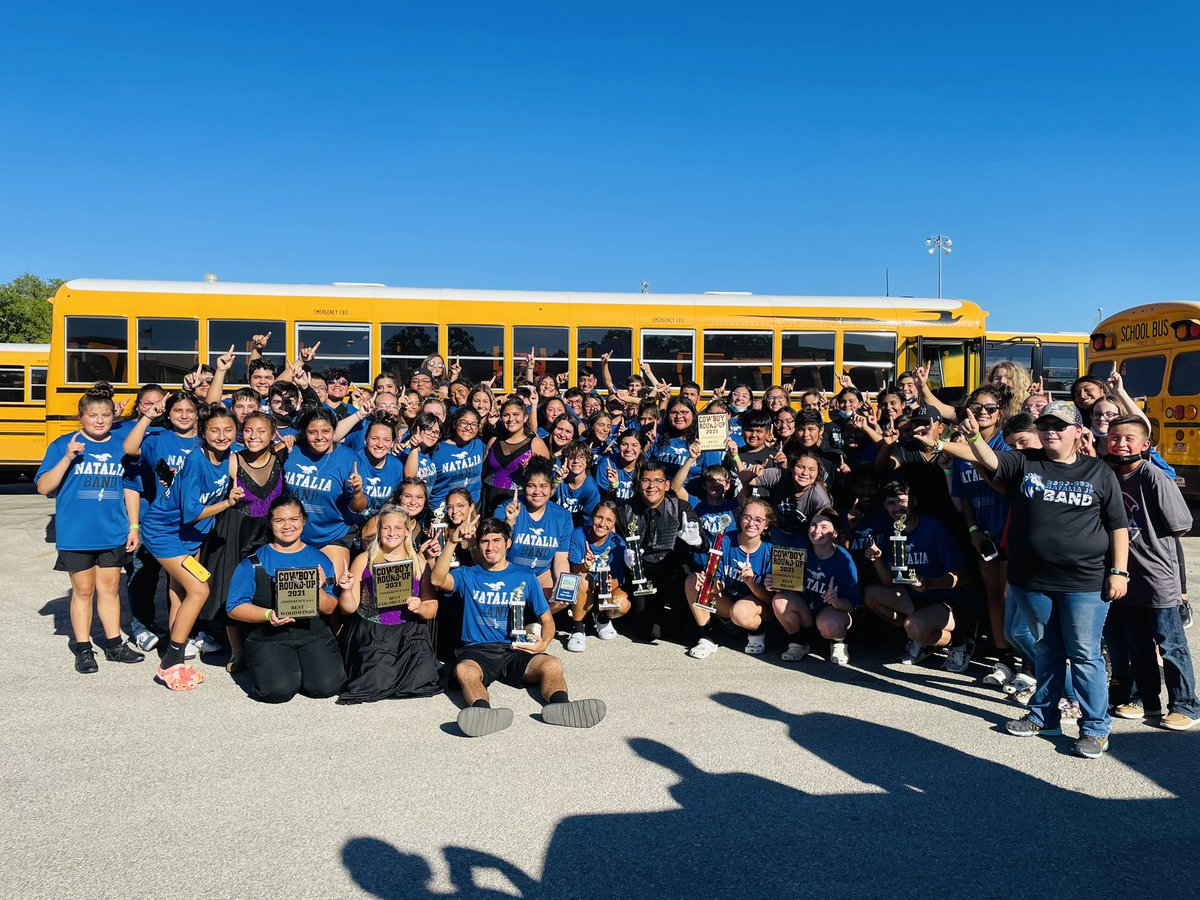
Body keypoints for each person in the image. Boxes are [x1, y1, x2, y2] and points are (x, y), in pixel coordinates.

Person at [959, 400, 1128, 759]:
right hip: (1031, 581)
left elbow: (1118, 526)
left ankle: (1096, 728)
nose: (1051, 431)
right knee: (1046, 649)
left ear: (1078, 432)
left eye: (1060, 426)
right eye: (1046, 425)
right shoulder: (1025, 462)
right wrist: (974, 437)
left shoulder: (1099, 472)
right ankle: (1044, 715)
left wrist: (1119, 570)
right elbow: (991, 462)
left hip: (1084, 582)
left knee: (1084, 654)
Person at [428, 517, 606, 737]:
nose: (490, 547)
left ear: (508, 543)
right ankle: (482, 713)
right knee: (464, 670)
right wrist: (452, 541)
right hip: (478, 650)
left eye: (496, 540)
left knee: (552, 664)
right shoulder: (468, 574)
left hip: (515, 648)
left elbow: (547, 620)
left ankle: (561, 706)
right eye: (484, 541)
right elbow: (437, 580)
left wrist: (543, 643)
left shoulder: (525, 576)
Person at [36, 384, 144, 674]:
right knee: (82, 590)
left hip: (113, 531)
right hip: (77, 534)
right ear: (81, 416)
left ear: (113, 416)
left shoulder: (122, 445)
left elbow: (131, 489)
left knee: (109, 589)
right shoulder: (62, 444)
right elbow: (44, 486)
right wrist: (68, 458)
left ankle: (113, 644)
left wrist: (133, 526)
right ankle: (83, 649)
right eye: (92, 415)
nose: (99, 420)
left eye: (105, 415)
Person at [1103, 416, 1198, 731]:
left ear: (1145, 445)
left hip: (1157, 575)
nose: (1121, 444)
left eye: (1129, 438)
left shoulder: (1153, 476)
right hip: (1125, 576)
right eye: (1115, 437)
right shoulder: (1110, 476)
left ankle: (1185, 704)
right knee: (1137, 642)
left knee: (1170, 642)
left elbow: (1182, 523)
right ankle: (1145, 700)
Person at [139, 405, 243, 691]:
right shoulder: (197, 460)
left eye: (228, 430)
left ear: (236, 432)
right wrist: (227, 503)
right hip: (165, 532)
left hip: (191, 535)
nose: (221, 436)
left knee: (180, 593)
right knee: (200, 589)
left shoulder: (229, 456)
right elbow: (191, 512)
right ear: (203, 432)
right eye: (214, 431)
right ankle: (170, 662)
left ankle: (177, 652)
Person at [225, 496, 346, 702]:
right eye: (279, 520)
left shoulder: (319, 559)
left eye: (293, 519)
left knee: (327, 686)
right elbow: (234, 607)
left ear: (303, 521)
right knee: (277, 691)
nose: (287, 526)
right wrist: (268, 614)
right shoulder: (253, 562)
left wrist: (318, 591)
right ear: (270, 524)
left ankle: (301, 666)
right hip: (268, 636)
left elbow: (330, 607)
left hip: (312, 633)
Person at [200, 410, 287, 673]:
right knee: (231, 587)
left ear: (273, 435)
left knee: (269, 586)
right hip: (235, 530)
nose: (254, 436)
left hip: (269, 532)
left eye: (261, 431)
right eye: (248, 430)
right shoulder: (232, 460)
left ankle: (267, 642)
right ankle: (237, 651)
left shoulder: (282, 457)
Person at [862, 479, 974, 672]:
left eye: (901, 501)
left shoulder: (934, 529)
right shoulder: (892, 531)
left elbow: (964, 576)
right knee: (871, 594)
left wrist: (930, 584)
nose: (897, 508)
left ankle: (960, 642)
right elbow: (889, 581)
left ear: (913, 501)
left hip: (946, 600)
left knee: (914, 626)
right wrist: (876, 559)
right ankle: (920, 639)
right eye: (891, 503)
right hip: (915, 596)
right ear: (885, 506)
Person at [336, 504, 441, 703]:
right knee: (374, 682)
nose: (392, 533)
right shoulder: (363, 560)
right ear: (379, 530)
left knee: (420, 679)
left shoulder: (419, 563)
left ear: (407, 531)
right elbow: (348, 608)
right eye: (386, 528)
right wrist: (347, 589)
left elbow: (432, 609)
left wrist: (419, 606)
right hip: (373, 631)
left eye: (397, 528)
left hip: (409, 632)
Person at [121, 389, 200, 651]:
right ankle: (151, 629)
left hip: (195, 524)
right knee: (150, 577)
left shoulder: (206, 440)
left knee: (183, 582)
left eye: (190, 410)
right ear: (169, 413)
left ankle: (183, 634)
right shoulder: (158, 438)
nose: (184, 415)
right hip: (161, 524)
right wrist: (147, 417)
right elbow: (130, 448)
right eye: (178, 410)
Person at [618, 460, 707, 643]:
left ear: (667, 485)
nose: (652, 486)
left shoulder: (681, 507)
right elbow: (614, 541)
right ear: (638, 483)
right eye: (646, 481)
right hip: (643, 574)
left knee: (680, 632)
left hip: (673, 574)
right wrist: (624, 555)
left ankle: (683, 619)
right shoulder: (626, 509)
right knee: (648, 632)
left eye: (658, 481)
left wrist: (696, 540)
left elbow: (704, 543)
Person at [683, 498, 777, 658]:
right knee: (693, 581)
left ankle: (757, 631)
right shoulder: (724, 540)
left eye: (758, 520)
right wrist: (710, 585)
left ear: (766, 524)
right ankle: (707, 636)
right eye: (747, 517)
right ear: (740, 518)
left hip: (756, 607)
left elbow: (770, 599)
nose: (751, 523)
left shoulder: (770, 550)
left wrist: (751, 583)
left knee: (740, 611)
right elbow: (719, 581)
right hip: (729, 601)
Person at [282, 407, 368, 577]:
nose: (320, 437)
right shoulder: (291, 452)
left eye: (326, 431)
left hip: (333, 534)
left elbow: (359, 508)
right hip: (293, 533)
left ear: (334, 431)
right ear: (304, 433)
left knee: (330, 589)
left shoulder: (349, 459)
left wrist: (358, 491)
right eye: (313, 432)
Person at [772, 508, 860, 665]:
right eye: (813, 525)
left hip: (831, 613)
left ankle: (838, 642)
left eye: (824, 527)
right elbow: (785, 583)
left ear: (835, 533)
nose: (816, 530)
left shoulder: (844, 561)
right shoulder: (800, 546)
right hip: (805, 610)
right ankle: (798, 642)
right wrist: (775, 584)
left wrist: (836, 601)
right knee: (779, 600)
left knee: (831, 625)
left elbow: (852, 604)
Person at [496, 457, 573, 603]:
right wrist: (509, 522)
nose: (537, 491)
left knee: (560, 598)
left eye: (543, 486)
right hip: (510, 573)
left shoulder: (562, 517)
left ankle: (536, 624)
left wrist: (564, 588)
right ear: (524, 487)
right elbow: (495, 551)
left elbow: (561, 558)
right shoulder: (506, 509)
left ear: (551, 488)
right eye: (532, 486)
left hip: (541, 574)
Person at [564, 501, 630, 652]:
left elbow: (619, 578)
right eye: (599, 517)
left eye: (608, 520)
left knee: (623, 604)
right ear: (592, 517)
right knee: (583, 578)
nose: (602, 524)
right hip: (583, 590)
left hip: (603, 592)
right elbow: (574, 571)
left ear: (614, 524)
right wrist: (586, 565)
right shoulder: (578, 534)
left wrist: (609, 583)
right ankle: (578, 628)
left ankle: (602, 618)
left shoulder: (617, 542)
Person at [480, 397, 549, 514]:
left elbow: (547, 479)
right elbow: (483, 473)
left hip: (518, 501)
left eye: (516, 414)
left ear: (525, 417)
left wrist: (532, 468)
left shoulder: (535, 443)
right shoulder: (493, 441)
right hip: (489, 497)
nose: (511, 419)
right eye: (506, 415)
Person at [554, 441, 601, 527]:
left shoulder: (591, 489)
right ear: (566, 460)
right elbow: (543, 499)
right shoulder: (557, 477)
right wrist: (557, 481)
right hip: (554, 523)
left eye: (581, 457)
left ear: (587, 461)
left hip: (576, 528)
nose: (576, 461)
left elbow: (588, 520)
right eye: (572, 457)